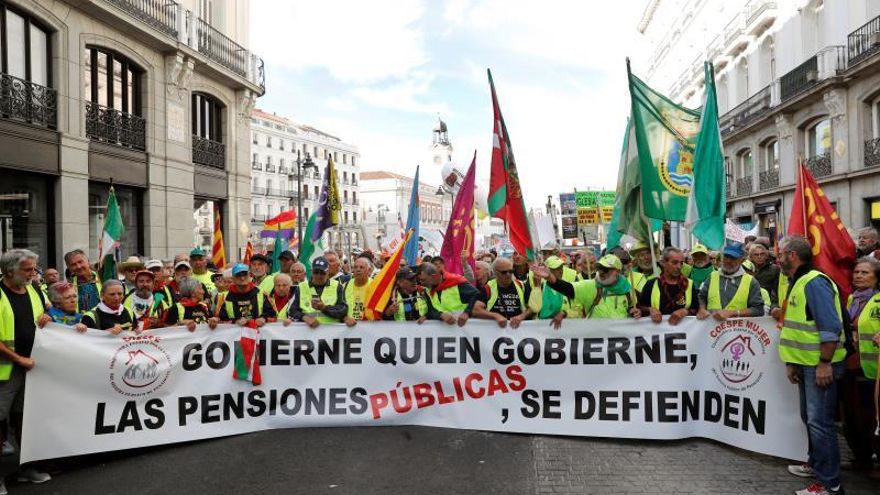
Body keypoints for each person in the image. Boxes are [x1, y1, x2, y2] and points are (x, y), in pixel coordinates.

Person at [772, 236, 846, 495]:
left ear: (792, 255)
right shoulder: (799, 281)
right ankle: (817, 465)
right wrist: (793, 363)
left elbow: (830, 327)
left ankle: (830, 485)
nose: (777, 258)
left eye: (780, 254)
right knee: (810, 419)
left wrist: (824, 363)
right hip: (806, 365)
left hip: (820, 366)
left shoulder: (814, 282)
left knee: (820, 423)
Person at [0, 249, 52, 488]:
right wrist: (18, 359)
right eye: (28, 270)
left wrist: (47, 319)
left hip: (30, 367)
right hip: (6, 371)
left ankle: (25, 468)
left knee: (24, 420)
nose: (34, 274)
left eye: (34, 269)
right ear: (10, 271)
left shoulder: (34, 290)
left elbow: (43, 318)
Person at [839, 257, 880, 475]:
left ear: (876, 277)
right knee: (853, 417)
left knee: (872, 418)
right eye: (856, 272)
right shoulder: (852, 298)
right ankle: (861, 458)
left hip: (874, 371)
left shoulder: (878, 300)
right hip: (852, 366)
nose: (859, 276)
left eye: (865, 272)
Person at [536, 254, 637, 321]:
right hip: (597, 342)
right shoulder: (592, 286)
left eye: (606, 269)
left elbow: (633, 308)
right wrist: (550, 277)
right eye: (600, 268)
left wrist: (636, 312)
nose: (601, 272)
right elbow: (568, 288)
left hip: (620, 344)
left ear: (618, 272)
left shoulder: (628, 289)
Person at [696, 244, 764, 321]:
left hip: (738, 330)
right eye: (726, 256)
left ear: (742, 260)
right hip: (712, 329)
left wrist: (733, 313)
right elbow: (702, 296)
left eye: (733, 258)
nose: (728, 261)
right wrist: (702, 309)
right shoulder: (712, 276)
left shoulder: (751, 281)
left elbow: (758, 310)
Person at [638, 247, 698, 325]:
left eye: (681, 263)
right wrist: (650, 310)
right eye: (674, 263)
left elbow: (696, 309)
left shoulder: (689, 284)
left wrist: (685, 311)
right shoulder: (651, 284)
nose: (679, 267)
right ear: (663, 262)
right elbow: (640, 307)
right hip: (658, 333)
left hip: (684, 334)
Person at [472, 257, 533, 328]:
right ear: (495, 272)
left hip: (518, 331)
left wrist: (521, 316)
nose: (508, 274)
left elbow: (532, 307)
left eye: (510, 271)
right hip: (495, 331)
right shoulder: (489, 287)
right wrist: (495, 316)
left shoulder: (521, 285)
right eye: (504, 272)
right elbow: (475, 310)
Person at [287, 257, 348, 328]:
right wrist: (304, 317)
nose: (319, 276)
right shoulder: (301, 287)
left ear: (328, 272)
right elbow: (291, 311)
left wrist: (324, 308)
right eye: (316, 272)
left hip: (331, 333)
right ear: (311, 271)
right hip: (307, 333)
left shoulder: (337, 286)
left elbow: (343, 310)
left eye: (322, 273)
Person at [343, 257, 374, 326]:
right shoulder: (345, 286)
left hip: (369, 327)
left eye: (361, 267)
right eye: (355, 267)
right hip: (349, 327)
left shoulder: (375, 286)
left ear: (369, 271)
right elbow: (340, 307)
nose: (358, 270)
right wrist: (345, 318)